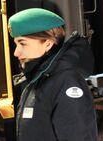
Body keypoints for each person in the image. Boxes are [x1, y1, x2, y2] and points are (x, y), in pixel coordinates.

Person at [9, 8, 98, 141]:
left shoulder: (66, 82)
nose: (16, 52)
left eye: (23, 43)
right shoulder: (38, 80)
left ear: (48, 43)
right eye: (16, 44)